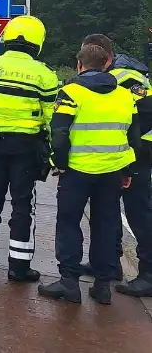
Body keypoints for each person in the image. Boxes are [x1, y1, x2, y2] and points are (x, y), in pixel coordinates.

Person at [37, 43, 142, 305]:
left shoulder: (71, 93)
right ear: (108, 63)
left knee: (69, 224)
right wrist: (126, 169)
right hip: (111, 172)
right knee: (106, 225)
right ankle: (103, 285)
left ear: (79, 65)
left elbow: (59, 133)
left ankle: (69, 283)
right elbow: (133, 137)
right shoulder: (124, 95)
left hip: (77, 170)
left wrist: (59, 164)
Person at [0, 15, 60, 282]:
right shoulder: (46, 75)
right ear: (37, 42)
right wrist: (54, 153)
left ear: (8, 38)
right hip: (26, 147)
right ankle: (18, 266)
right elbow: (52, 119)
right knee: (23, 204)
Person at [81, 34, 152, 296]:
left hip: (140, 151)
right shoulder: (111, 77)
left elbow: (146, 113)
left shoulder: (127, 78)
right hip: (119, 152)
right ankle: (109, 264)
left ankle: (149, 274)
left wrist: (126, 144)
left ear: (105, 57)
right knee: (107, 207)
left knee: (138, 212)